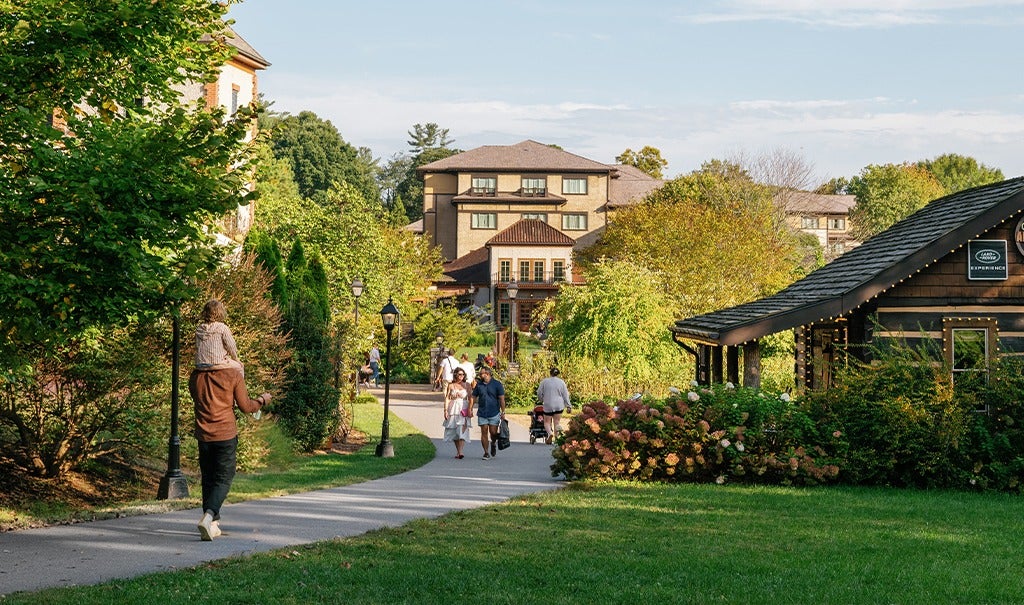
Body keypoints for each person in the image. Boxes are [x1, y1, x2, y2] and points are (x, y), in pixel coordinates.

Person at [189, 358, 271, 541]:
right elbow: (246, 407)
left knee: (208, 478)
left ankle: (212, 524)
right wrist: (262, 400)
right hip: (225, 434)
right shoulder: (232, 374)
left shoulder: (196, 376)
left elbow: (196, 398)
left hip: (203, 435)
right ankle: (210, 514)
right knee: (224, 477)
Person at [195, 299, 244, 376]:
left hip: (200, 365)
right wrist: (236, 359)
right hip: (217, 363)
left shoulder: (199, 328)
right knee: (239, 367)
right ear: (220, 313)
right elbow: (231, 346)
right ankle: (239, 388)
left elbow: (197, 347)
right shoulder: (222, 328)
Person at [468, 366, 505, 460]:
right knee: (484, 432)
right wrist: (470, 409)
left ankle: (493, 443)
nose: (480, 375)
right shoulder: (479, 385)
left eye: (481, 374)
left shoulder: (497, 384)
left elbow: (501, 399)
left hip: (494, 412)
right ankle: (486, 452)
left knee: (493, 433)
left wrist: (503, 412)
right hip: (482, 412)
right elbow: (473, 397)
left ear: (487, 374)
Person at [442, 367, 472, 458]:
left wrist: (470, 409)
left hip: (463, 407)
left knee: (462, 428)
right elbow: (447, 398)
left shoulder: (467, 385)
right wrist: (445, 410)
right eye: (459, 374)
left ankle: (461, 451)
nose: (461, 376)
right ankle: (458, 451)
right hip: (453, 407)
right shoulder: (451, 385)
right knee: (454, 429)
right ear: (456, 375)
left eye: (463, 374)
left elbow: (470, 398)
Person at [536, 367, 571, 444]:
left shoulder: (544, 382)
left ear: (550, 373)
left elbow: (539, 392)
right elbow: (565, 395)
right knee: (557, 422)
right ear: (558, 374)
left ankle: (549, 433)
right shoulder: (561, 382)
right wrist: (568, 405)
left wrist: (542, 399)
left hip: (548, 404)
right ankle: (557, 438)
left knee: (547, 422)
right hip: (559, 405)